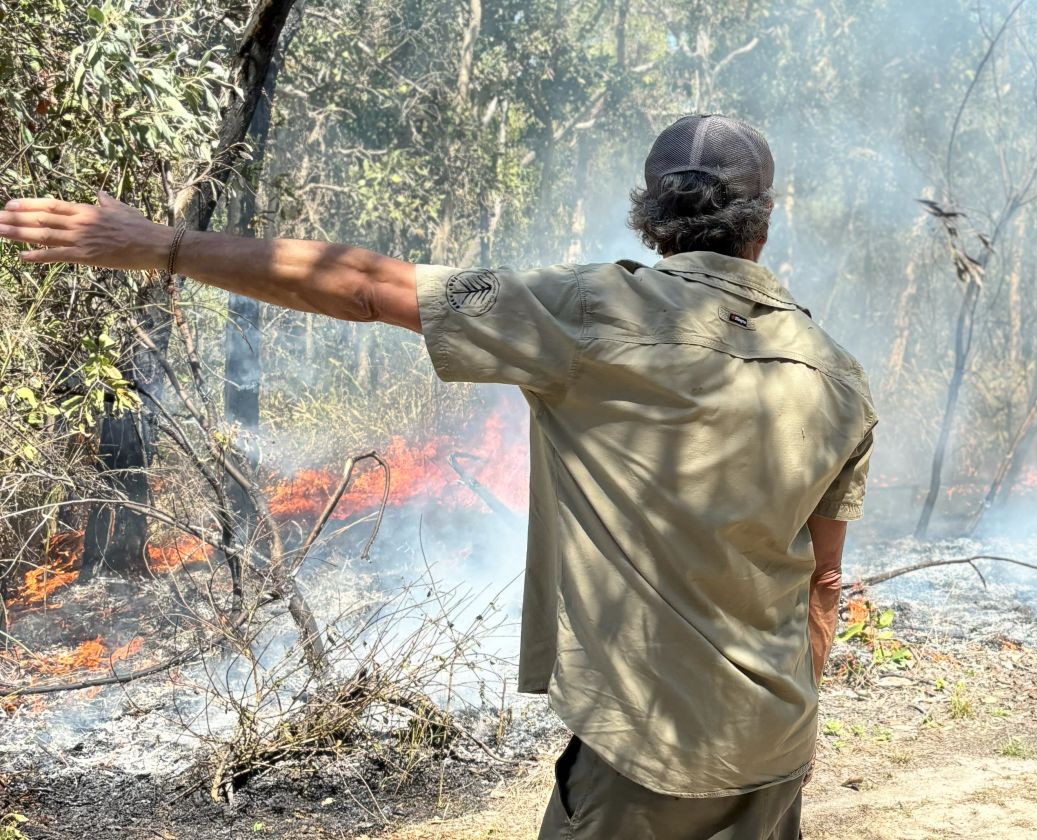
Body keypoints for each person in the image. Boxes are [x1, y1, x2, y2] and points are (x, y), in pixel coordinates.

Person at [0, 113, 875, 840]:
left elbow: (364, 287)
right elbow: (823, 582)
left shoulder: (596, 310)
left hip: (647, 752)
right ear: (763, 221)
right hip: (777, 745)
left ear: (652, 216)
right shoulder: (836, 372)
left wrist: (162, 244)